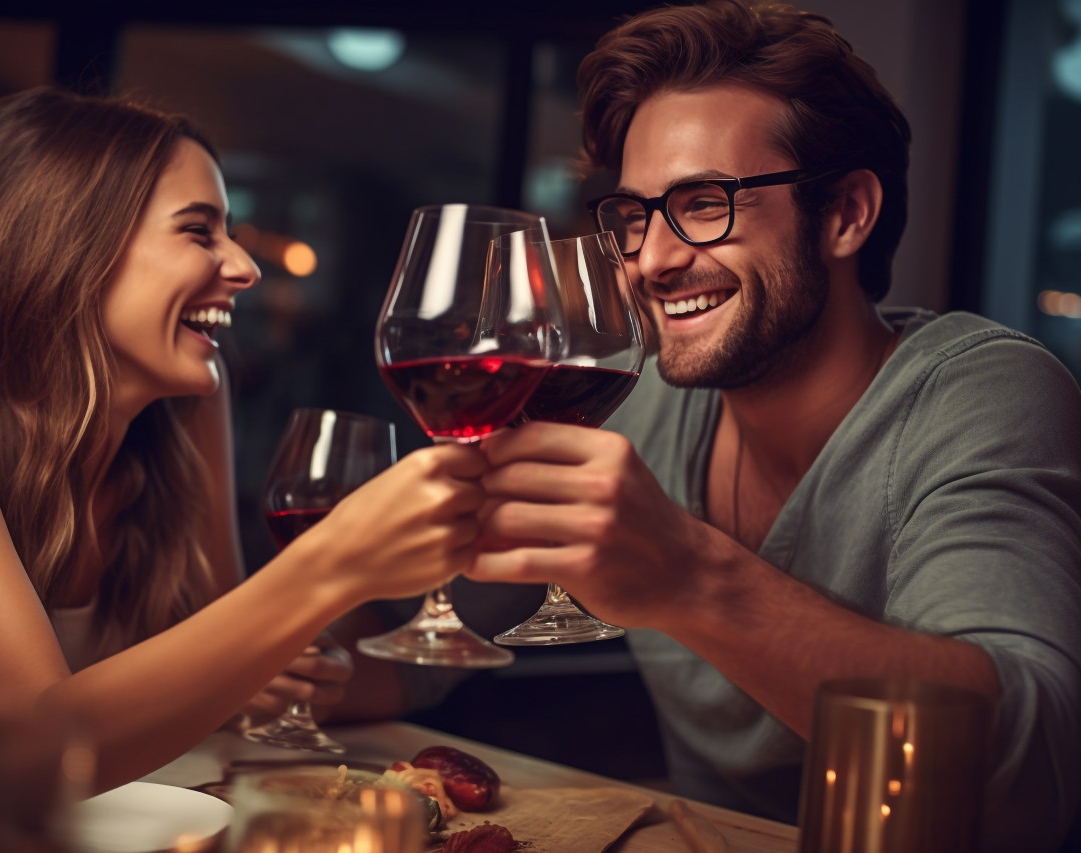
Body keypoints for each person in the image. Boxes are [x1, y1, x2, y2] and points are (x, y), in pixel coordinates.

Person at [340, 1, 1081, 850]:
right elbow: (427, 650)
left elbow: (1025, 778)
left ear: (845, 214)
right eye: (633, 215)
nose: (652, 260)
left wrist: (691, 575)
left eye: (703, 204)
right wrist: (296, 662)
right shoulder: (645, 392)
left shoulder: (983, 391)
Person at [0, 87, 488, 828]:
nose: (244, 267)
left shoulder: (188, 401)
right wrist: (332, 563)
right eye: (199, 231)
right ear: (69, 244)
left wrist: (264, 676)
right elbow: (41, 742)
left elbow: (226, 647)